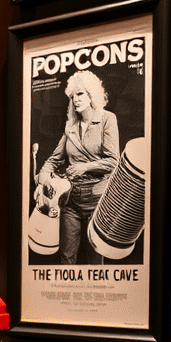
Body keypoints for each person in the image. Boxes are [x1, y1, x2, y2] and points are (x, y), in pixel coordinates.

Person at [37, 69, 119, 263]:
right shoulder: (70, 127)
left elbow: (113, 161)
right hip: (71, 200)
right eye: (73, 96)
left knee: (94, 261)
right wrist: (43, 179)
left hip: (98, 200)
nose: (75, 99)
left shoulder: (107, 119)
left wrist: (84, 167)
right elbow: (53, 160)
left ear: (92, 95)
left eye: (80, 94)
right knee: (66, 258)